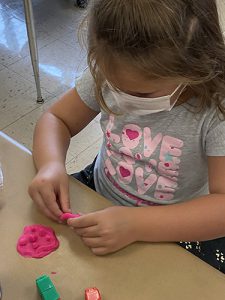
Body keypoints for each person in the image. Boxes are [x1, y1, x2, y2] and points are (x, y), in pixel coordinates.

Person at [28, 0, 225, 273]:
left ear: (194, 66)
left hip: (178, 222)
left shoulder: (216, 110)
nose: (124, 98)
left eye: (142, 94)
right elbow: (56, 120)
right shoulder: (112, 69)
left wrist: (135, 224)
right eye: (115, 86)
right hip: (101, 192)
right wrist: (51, 166)